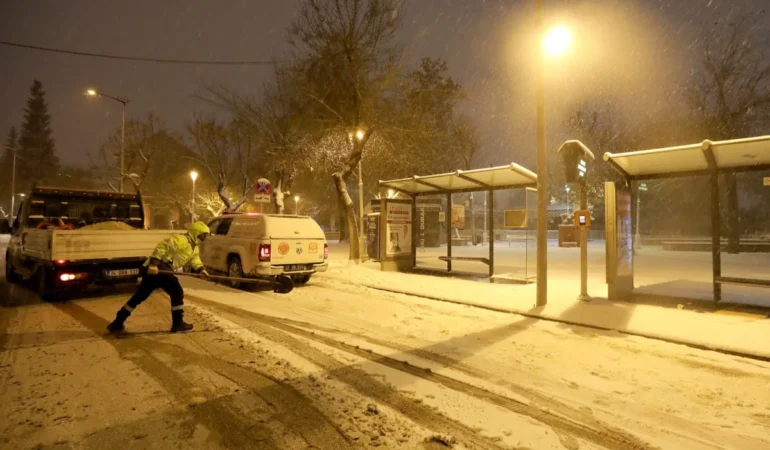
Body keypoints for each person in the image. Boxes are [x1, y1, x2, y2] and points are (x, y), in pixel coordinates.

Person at [107, 221, 211, 333]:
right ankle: (177, 323)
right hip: (160, 267)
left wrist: (201, 270)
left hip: (163, 270)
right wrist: (154, 264)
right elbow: (162, 246)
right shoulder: (182, 240)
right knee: (175, 291)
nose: (205, 238)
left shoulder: (194, 247)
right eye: (204, 235)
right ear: (197, 232)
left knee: (141, 296)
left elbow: (195, 260)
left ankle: (118, 322)